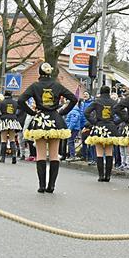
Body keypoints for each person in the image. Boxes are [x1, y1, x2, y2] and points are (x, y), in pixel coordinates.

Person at [18, 63, 77, 193]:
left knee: (41, 154)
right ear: (50, 73)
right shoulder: (57, 85)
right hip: (55, 120)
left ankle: (42, 185)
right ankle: (52, 186)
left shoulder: (35, 86)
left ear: (39, 73)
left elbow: (21, 100)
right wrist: (62, 112)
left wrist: (32, 113)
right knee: (54, 154)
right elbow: (73, 98)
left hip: (40, 121)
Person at [85, 86, 120, 182]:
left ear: (100, 92)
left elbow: (86, 112)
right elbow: (123, 114)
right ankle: (108, 176)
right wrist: (115, 122)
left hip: (99, 126)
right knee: (109, 152)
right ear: (109, 92)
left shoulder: (97, 101)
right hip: (111, 127)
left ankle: (101, 176)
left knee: (99, 152)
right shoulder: (114, 102)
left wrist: (94, 121)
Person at [0, 89, 22, 164]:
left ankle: (3, 158)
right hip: (13, 121)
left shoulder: (2, 102)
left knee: (3, 140)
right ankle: (14, 156)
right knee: (12, 139)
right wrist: (15, 116)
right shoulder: (15, 102)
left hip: (4, 121)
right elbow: (20, 109)